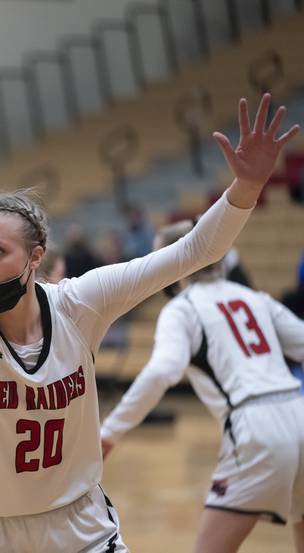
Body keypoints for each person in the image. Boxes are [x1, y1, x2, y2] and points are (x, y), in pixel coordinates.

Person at [0, 78, 299, 553]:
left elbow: (193, 250)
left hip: (81, 529)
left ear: (35, 257)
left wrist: (246, 186)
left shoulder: (81, 304)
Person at [101, 219, 304, 553]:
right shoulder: (255, 298)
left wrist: (109, 433)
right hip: (297, 409)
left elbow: (161, 372)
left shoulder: (182, 309)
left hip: (256, 427)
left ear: (173, 262)